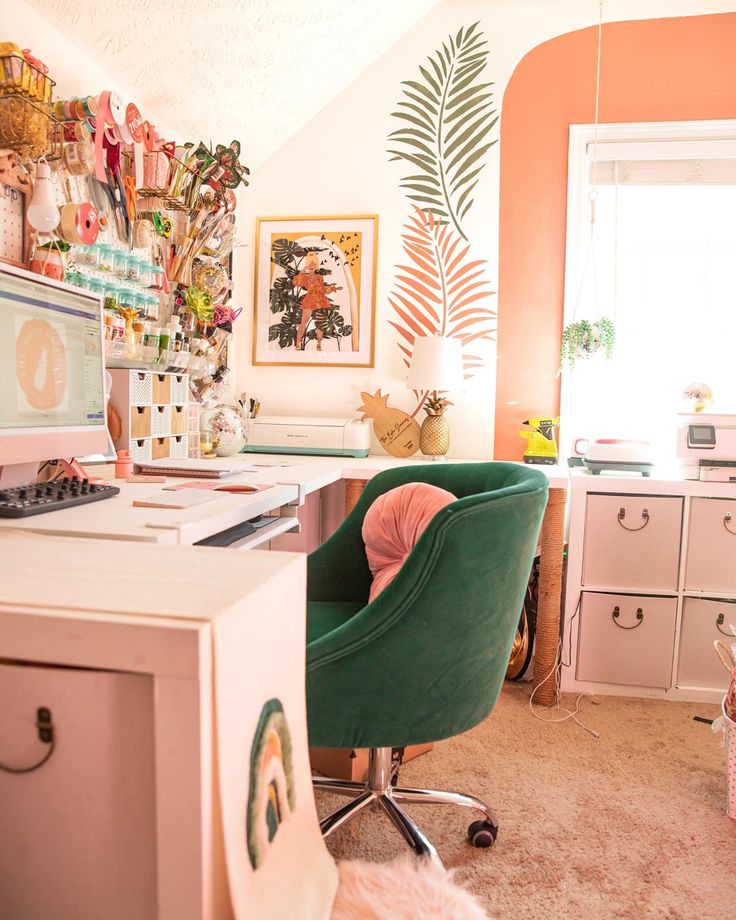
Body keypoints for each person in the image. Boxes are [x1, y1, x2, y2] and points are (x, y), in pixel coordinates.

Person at [292, 252, 341, 351]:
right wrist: (301, 272)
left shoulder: (319, 277)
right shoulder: (304, 277)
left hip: (320, 300)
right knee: (303, 322)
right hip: (309, 300)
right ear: (306, 264)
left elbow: (323, 290)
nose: (311, 266)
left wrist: (333, 288)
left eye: (314, 264)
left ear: (317, 266)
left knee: (320, 322)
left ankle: (319, 343)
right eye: (309, 263)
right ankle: (298, 343)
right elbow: (295, 283)